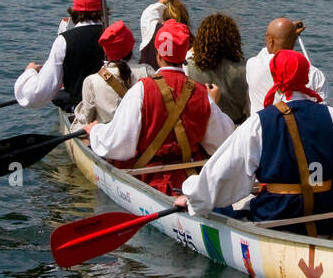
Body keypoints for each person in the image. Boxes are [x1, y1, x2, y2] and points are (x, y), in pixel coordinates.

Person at [175, 50, 333, 233]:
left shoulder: (260, 122)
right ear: (306, 77)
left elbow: (227, 168)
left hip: (278, 215)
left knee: (226, 209)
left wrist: (193, 197)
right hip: (326, 215)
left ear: (275, 77)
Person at [88, 20, 234, 196]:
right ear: (183, 57)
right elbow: (222, 141)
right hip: (188, 179)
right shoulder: (201, 94)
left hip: (147, 178)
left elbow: (119, 144)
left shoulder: (141, 90)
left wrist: (95, 131)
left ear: (158, 55)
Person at [14, 0, 105, 111]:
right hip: (111, 107)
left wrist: (30, 72)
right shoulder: (114, 35)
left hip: (82, 109)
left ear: (74, 12)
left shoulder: (64, 41)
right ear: (102, 9)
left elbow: (40, 92)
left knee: (59, 96)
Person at [73, 21, 150, 127]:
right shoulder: (147, 71)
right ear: (131, 44)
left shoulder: (91, 81)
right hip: (140, 137)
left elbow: (86, 119)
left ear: (106, 52)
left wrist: (77, 111)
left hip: (109, 140)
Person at [246, 17, 327, 114]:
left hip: (263, 127)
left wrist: (289, 32)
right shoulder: (314, 73)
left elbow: (268, 51)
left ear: (270, 40)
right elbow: (324, 109)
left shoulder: (253, 65)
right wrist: (290, 34)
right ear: (294, 40)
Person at [186, 13, 249, 124]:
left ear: (201, 37)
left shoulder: (188, 66)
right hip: (235, 127)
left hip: (204, 126)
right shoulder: (245, 67)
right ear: (233, 38)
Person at [139, 0, 191, 66]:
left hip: (150, 75)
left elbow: (148, 14)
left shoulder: (153, 31)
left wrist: (163, 0)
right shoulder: (188, 40)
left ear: (163, 19)